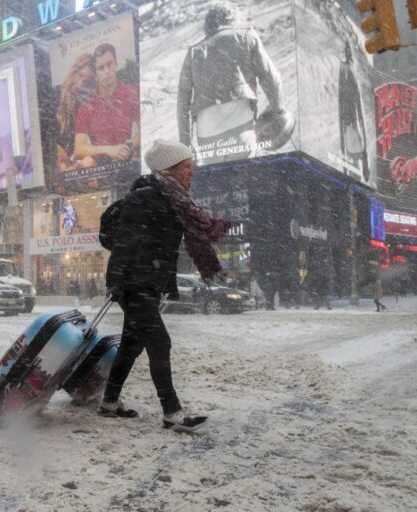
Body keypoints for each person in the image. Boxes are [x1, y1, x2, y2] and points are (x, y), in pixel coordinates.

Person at [100, 139, 230, 433]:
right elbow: (125, 243)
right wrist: (120, 282)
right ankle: (172, 412)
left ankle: (109, 402)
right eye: (187, 166)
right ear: (170, 169)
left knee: (132, 344)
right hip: (134, 283)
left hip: (145, 281)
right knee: (160, 342)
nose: (192, 172)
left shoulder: (171, 198)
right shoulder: (145, 198)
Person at [177, 2, 289, 162]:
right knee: (247, 179)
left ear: (208, 25)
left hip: (207, 136)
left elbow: (183, 103)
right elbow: (272, 78)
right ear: (233, 19)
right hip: (240, 128)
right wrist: (278, 110)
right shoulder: (247, 36)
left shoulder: (194, 52)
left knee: (219, 182)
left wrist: (185, 144)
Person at [74, 43, 140, 165]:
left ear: (116, 64)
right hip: (100, 167)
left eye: (109, 64)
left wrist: (128, 146)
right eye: (101, 68)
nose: (106, 71)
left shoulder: (130, 93)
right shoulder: (87, 105)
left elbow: (143, 129)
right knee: (87, 162)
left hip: (126, 160)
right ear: (96, 72)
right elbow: (79, 148)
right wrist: (109, 150)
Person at [56, 53, 96, 171]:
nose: (80, 84)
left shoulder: (86, 104)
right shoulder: (56, 95)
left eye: (87, 81)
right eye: (80, 75)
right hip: (59, 161)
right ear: (74, 71)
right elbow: (50, 142)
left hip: (75, 163)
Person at [338, 40, 369, 181]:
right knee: (352, 146)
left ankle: (359, 172)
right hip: (349, 115)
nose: (349, 52)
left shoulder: (353, 67)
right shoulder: (344, 67)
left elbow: (357, 94)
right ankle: (351, 171)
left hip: (354, 114)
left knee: (358, 144)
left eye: (350, 49)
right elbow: (341, 92)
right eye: (347, 49)